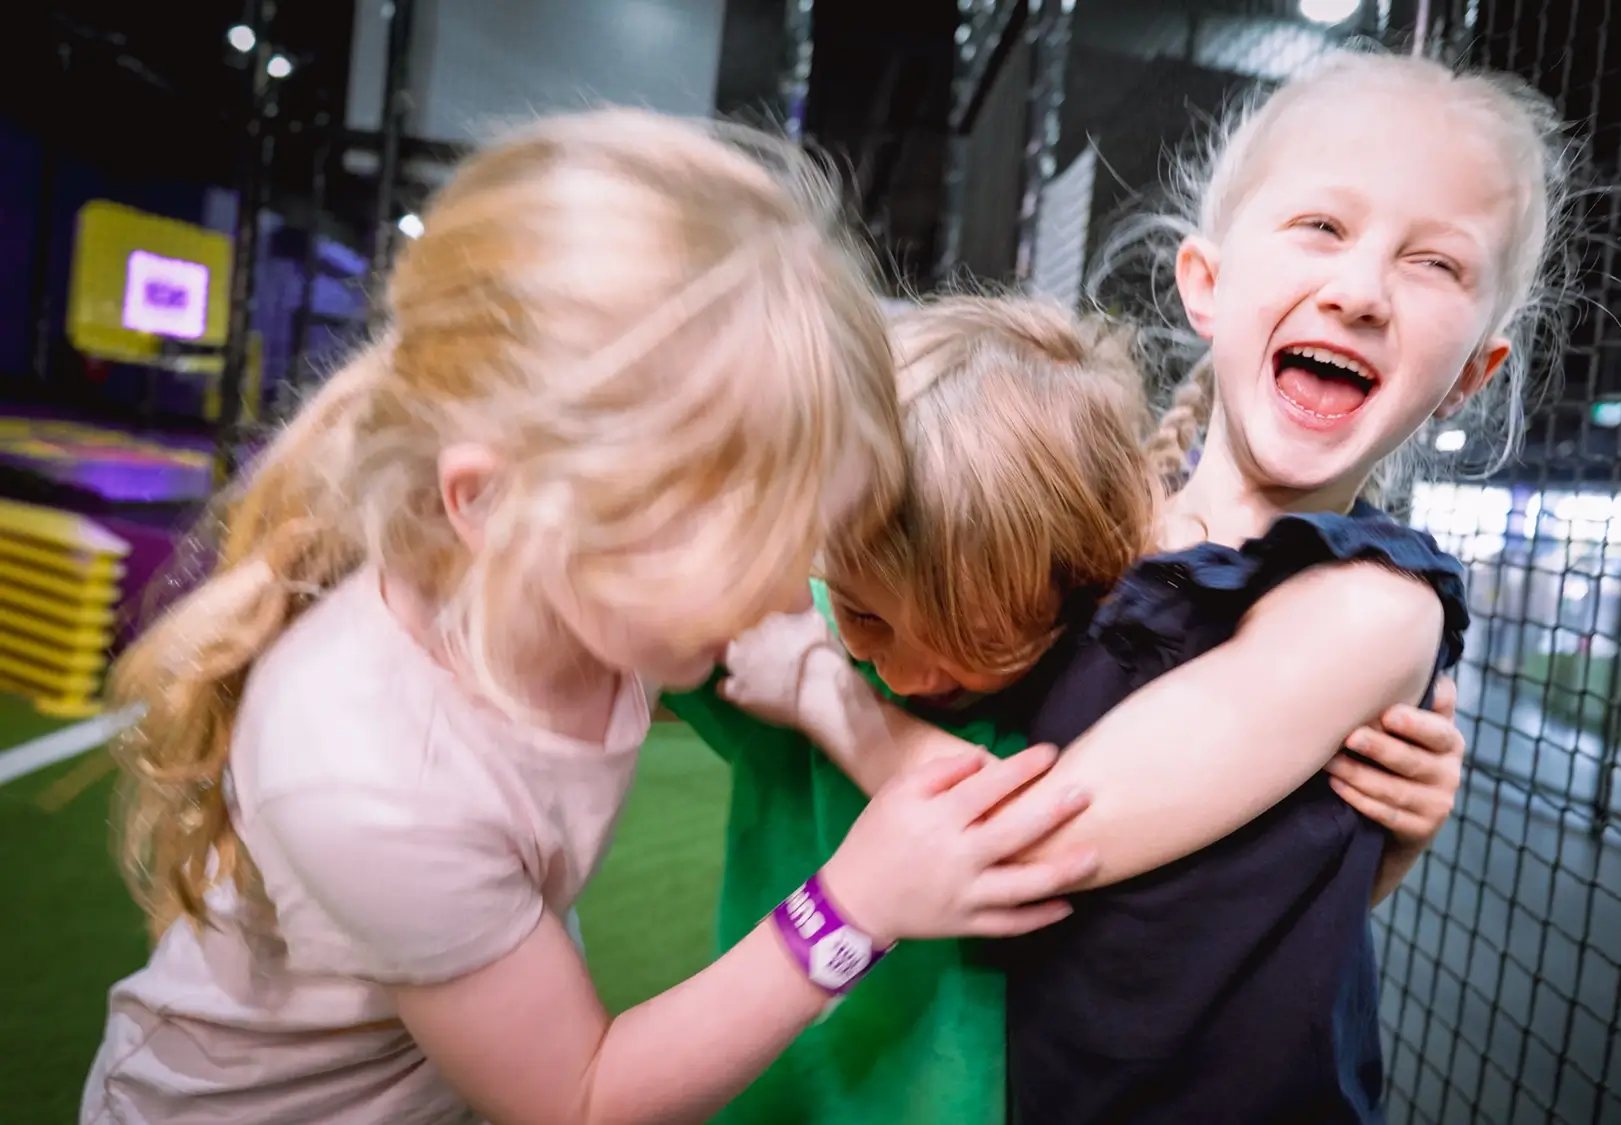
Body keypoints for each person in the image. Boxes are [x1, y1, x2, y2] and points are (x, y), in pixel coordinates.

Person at [81, 111, 1098, 1125]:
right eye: (753, 549)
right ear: (495, 505)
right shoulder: (367, 773)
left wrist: (834, 704)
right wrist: (853, 906)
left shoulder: (574, 580)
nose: (791, 593)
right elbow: (579, 1096)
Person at [726, 46, 1576, 1124]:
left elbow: (1044, 841)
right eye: (1321, 226)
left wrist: (816, 689)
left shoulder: (1373, 607)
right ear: (1205, 285)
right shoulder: (1104, 529)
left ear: (1470, 374)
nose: (1359, 290)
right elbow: (1221, 897)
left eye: (1434, 264)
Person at [688, 295, 1470, 1125]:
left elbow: (1137, 885)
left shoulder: (1095, 671)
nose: (910, 673)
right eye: (865, 614)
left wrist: (1381, 841)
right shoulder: (810, 624)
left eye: (972, 639)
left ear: (1066, 594)